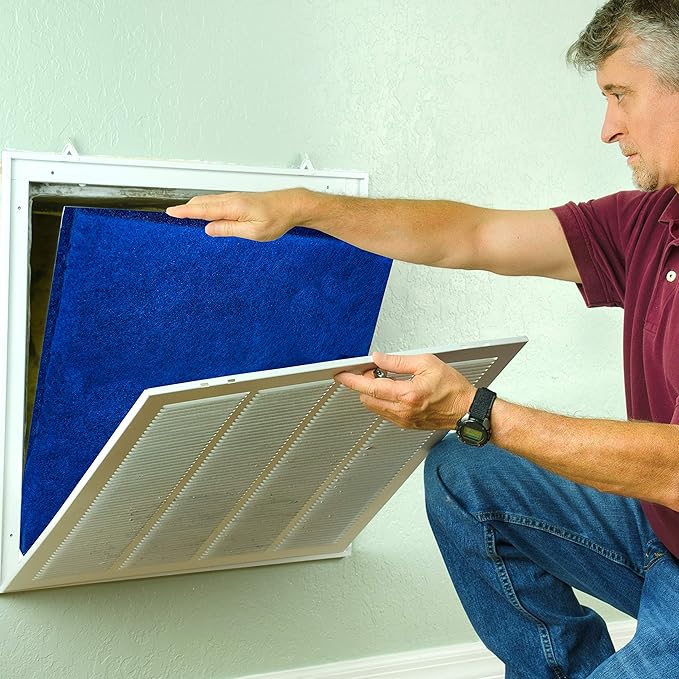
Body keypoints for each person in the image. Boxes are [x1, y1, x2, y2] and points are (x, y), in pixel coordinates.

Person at [166, 1, 679, 675]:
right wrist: (304, 207)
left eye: (619, 94)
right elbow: (472, 234)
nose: (607, 128)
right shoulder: (650, 221)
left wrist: (479, 410)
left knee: (481, 437)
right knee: (467, 473)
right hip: (662, 537)